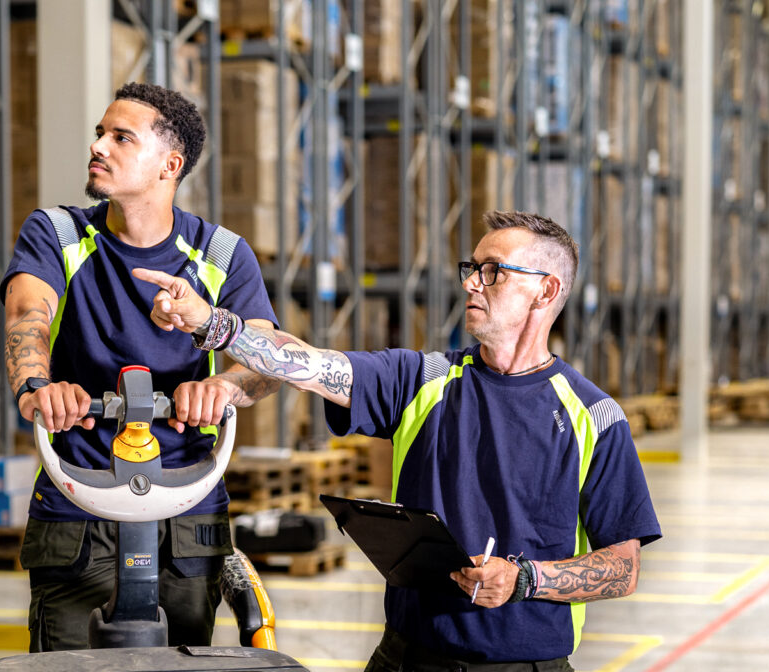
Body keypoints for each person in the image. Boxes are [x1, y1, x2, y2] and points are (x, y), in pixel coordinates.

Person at [133, 212, 662, 671]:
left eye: (494, 272)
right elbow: (307, 364)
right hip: (406, 657)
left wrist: (526, 580)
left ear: (546, 290)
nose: (472, 284)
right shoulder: (420, 379)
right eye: (471, 269)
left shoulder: (594, 417)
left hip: (522, 666)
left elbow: (624, 566)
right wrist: (212, 323)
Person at [0, 82, 281, 652]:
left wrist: (223, 387)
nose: (99, 146)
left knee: (179, 661)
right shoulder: (58, 233)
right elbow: (29, 313)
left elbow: (269, 358)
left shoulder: (222, 254)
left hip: (187, 503)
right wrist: (38, 386)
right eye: (100, 133)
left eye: (121, 137)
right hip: (78, 496)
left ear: (168, 165)